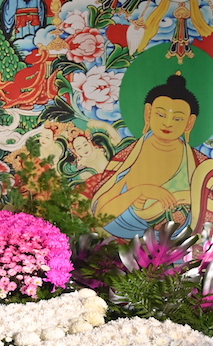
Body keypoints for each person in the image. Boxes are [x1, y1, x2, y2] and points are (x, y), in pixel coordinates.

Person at [88, 73, 209, 237]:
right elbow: (100, 216)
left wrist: (186, 197)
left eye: (178, 119)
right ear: (148, 112)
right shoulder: (127, 158)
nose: (168, 123)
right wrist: (139, 191)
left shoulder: (199, 165)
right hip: (119, 246)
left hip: (179, 247)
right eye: (161, 114)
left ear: (190, 122)